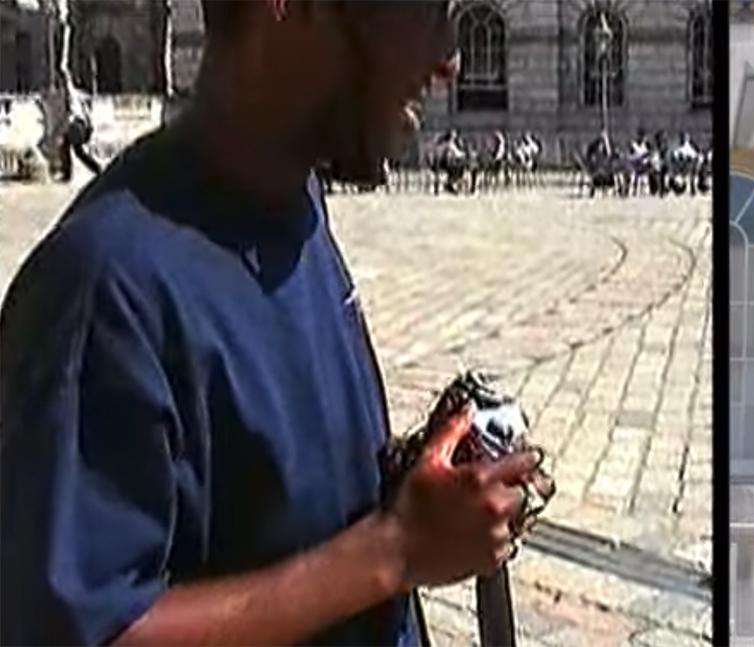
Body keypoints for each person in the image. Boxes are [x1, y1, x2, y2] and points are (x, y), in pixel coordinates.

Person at [0, 1, 549, 644]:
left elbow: (265, 488)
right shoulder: (105, 290)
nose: (449, 59)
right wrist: (396, 550)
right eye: (428, 10)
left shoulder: (295, 203)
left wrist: (413, 488)